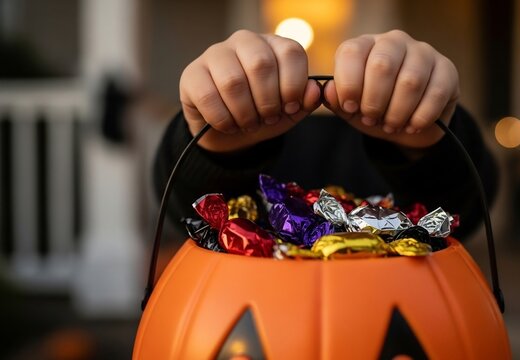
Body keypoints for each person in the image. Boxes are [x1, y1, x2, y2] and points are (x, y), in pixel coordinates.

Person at [154, 29, 498, 240]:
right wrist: (209, 150)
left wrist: (434, 144)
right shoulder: (227, 124)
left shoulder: (426, 134)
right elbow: (184, 209)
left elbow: (465, 208)